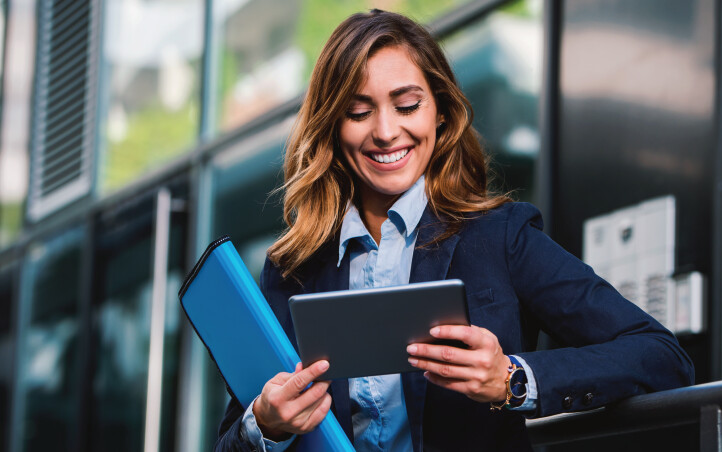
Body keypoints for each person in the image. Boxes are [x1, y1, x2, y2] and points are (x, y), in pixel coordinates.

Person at [214, 9, 694, 452]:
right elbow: (231, 440)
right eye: (358, 112)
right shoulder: (293, 269)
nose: (385, 131)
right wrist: (266, 423)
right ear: (332, 127)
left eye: (407, 105)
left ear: (439, 113)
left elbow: (660, 355)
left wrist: (513, 378)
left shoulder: (500, 237)